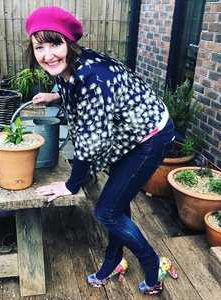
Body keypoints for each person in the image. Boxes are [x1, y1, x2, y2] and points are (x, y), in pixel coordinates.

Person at [25, 6, 177, 295]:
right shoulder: (67, 66)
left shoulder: (94, 75)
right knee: (117, 204)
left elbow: (90, 141)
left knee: (107, 212)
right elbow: (74, 86)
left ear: (69, 44)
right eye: (39, 47)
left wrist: (71, 184)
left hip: (149, 137)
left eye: (55, 43)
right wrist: (55, 95)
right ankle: (115, 261)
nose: (48, 55)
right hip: (127, 133)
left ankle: (152, 263)